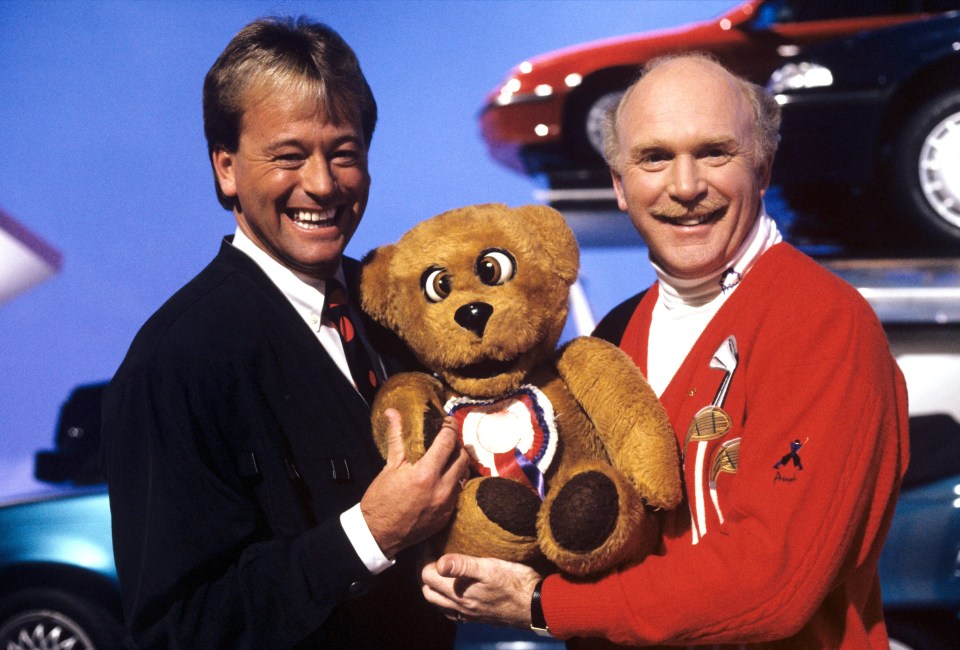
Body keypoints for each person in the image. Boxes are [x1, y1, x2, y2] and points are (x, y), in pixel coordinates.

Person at [421, 53, 909, 648]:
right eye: (655, 158)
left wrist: (544, 604)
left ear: (762, 167)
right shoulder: (611, 339)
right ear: (621, 186)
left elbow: (768, 587)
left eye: (714, 152)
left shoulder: (822, 323)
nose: (685, 187)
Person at [100, 17, 469, 649]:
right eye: (289, 156)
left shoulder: (402, 311)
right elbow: (176, 631)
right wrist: (369, 535)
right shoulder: (174, 361)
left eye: (344, 152)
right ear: (226, 169)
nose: (323, 184)